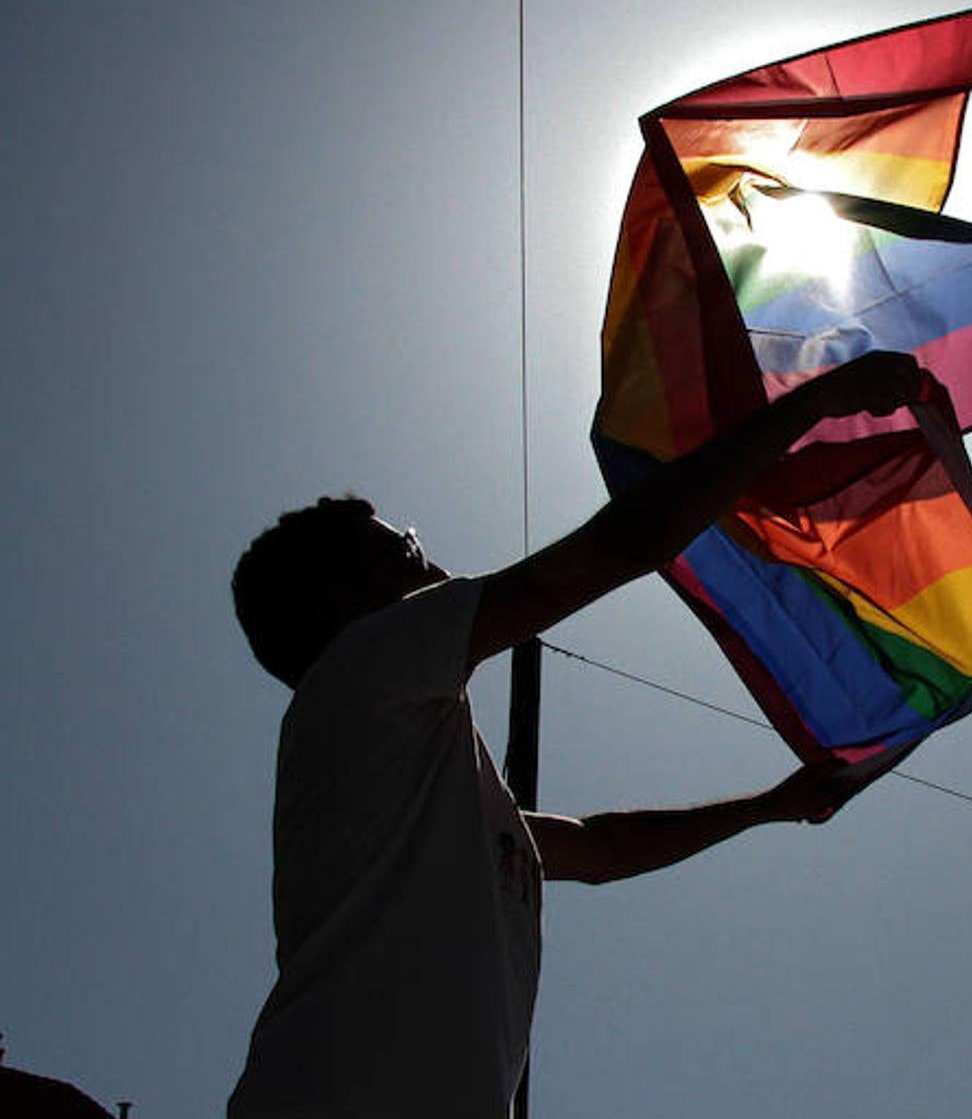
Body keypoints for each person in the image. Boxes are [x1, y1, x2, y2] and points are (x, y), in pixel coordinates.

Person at [226, 352, 927, 1119]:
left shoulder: (419, 792)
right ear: (335, 596)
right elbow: (614, 549)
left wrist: (766, 806)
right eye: (395, 541)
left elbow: (598, 846)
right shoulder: (362, 665)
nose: (418, 546)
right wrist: (812, 403)